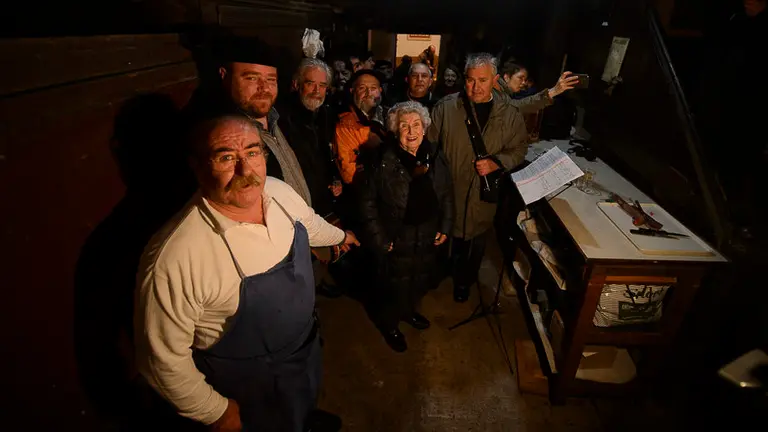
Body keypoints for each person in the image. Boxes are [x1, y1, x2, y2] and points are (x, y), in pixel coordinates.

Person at [135, 115, 359, 431]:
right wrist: (216, 412)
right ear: (197, 167)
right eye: (226, 157)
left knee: (304, 404)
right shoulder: (174, 257)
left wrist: (339, 236)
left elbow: (309, 224)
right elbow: (161, 359)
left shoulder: (278, 192)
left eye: (252, 152)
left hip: (304, 351)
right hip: (251, 388)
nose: (245, 170)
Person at [428, 53, 528, 303]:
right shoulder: (446, 107)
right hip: (449, 189)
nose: (475, 87)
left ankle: (464, 282)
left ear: (495, 80)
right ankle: (440, 273)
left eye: (482, 80)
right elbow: (429, 147)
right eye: (470, 80)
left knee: (475, 239)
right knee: (444, 235)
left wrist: (497, 162)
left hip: (483, 193)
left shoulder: (510, 114)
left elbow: (519, 149)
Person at [359, 101, 454, 352]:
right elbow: (367, 204)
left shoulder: (435, 155)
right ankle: (389, 324)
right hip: (396, 236)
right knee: (391, 286)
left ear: (424, 127)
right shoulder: (381, 159)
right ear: (395, 130)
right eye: (404, 126)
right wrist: (380, 239)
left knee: (417, 280)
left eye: (416, 124)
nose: (411, 132)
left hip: (426, 235)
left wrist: (445, 226)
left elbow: (446, 193)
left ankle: (409, 311)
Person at [189, 39, 313, 206]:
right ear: (224, 75)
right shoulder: (216, 133)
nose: (264, 88)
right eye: (252, 78)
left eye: (271, 80)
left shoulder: (282, 117)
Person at [334, 69, 388, 185]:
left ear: (380, 90)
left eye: (373, 88)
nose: (368, 93)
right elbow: (348, 172)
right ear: (352, 91)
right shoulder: (345, 125)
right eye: (362, 88)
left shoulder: (391, 116)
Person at [497, 59, 580, 114]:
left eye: (525, 79)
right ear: (507, 77)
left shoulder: (506, 94)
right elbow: (516, 107)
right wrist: (554, 91)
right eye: (520, 78)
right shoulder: (497, 93)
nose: (524, 83)